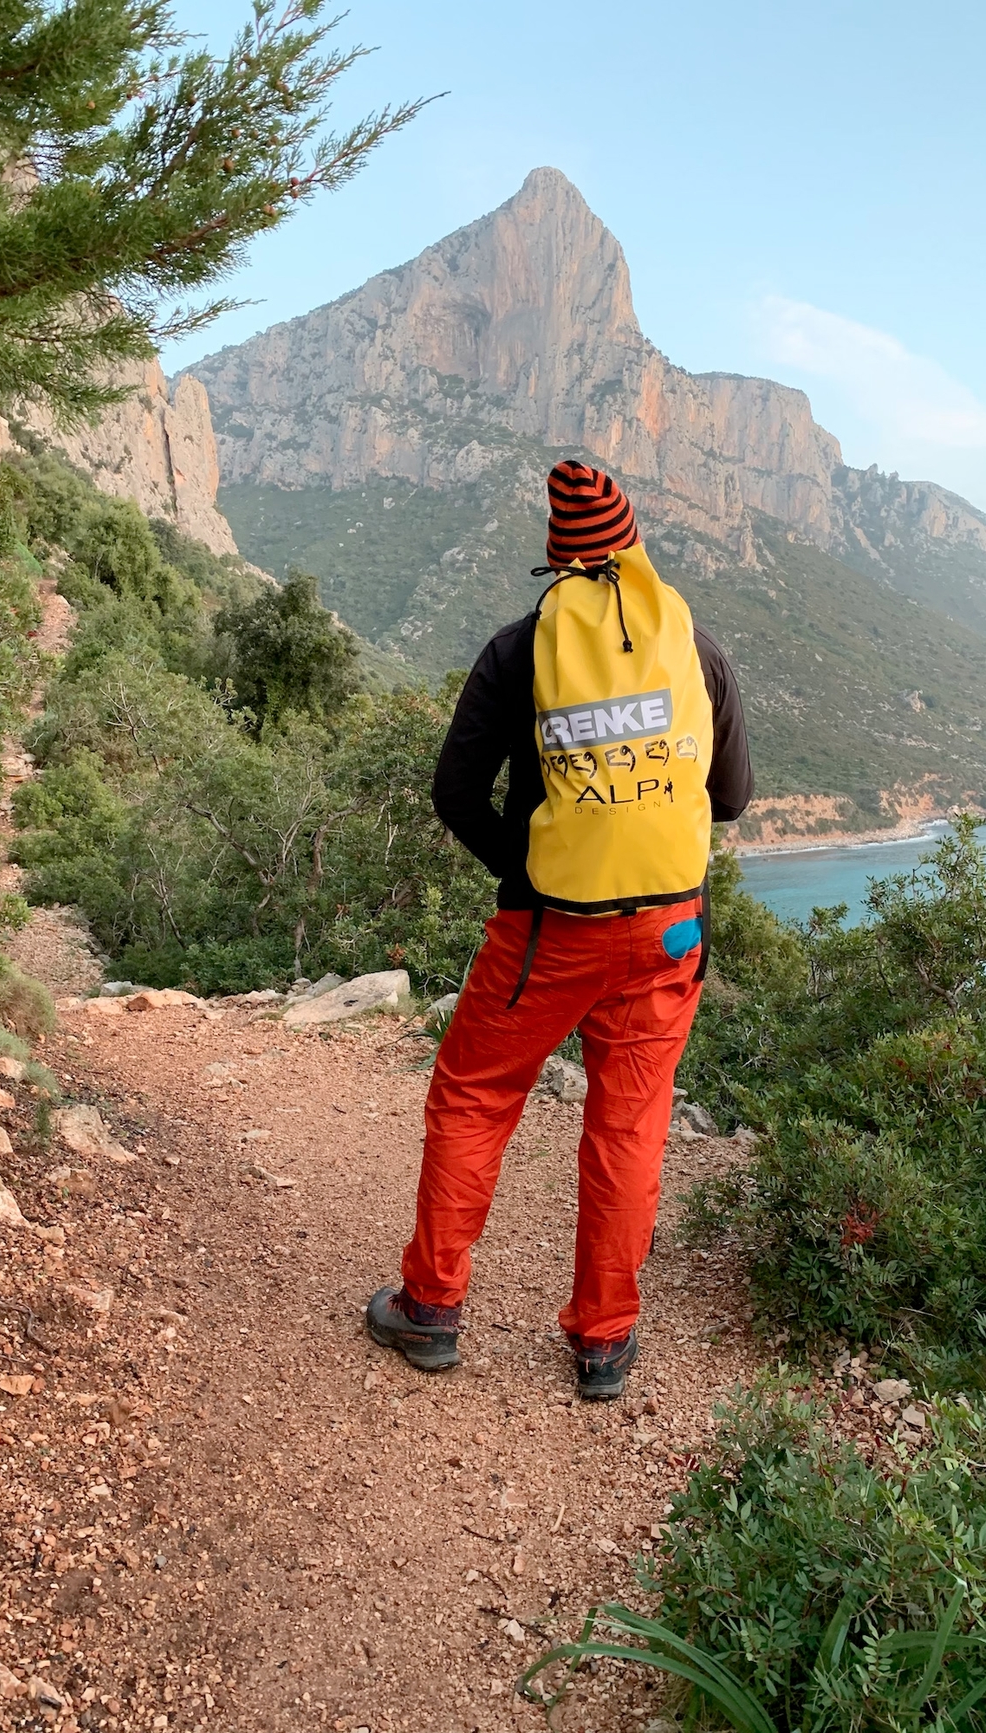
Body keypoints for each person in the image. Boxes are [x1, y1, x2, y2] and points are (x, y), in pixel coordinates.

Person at [366, 460, 754, 1399]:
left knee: (474, 1096)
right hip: (667, 938)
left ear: (558, 561)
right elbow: (732, 799)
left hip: (550, 933)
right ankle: (604, 1343)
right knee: (630, 1126)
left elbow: (454, 792)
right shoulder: (694, 647)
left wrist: (527, 867)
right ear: (632, 548)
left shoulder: (518, 649)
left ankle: (431, 1309)